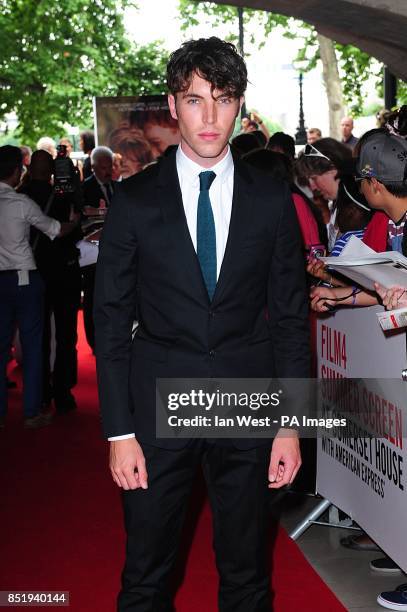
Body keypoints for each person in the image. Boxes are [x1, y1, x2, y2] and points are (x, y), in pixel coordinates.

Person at [94, 36, 309, 611]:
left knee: (247, 574)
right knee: (146, 573)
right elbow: (110, 322)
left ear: (240, 105)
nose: (209, 116)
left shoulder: (271, 199)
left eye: (223, 98)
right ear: (172, 105)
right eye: (194, 100)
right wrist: (119, 432)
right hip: (158, 403)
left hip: (247, 402)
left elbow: (290, 319)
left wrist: (290, 425)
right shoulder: (135, 200)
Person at [0, 146, 73, 429]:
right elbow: (55, 229)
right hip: (25, 278)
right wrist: (74, 223)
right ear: (18, 171)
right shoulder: (21, 203)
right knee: (33, 348)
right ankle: (31, 412)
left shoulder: (21, 199)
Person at [310, 128, 407, 314]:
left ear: (375, 184)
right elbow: (381, 287)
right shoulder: (387, 221)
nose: (360, 190)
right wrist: (335, 296)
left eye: (360, 181)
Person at [19, 150, 82, 413]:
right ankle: (63, 391)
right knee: (67, 334)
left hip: (35, 271)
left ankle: (41, 391)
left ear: (30, 169)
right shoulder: (63, 195)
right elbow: (75, 227)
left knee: (38, 335)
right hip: (64, 271)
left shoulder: (20, 197)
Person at [82, 146, 114, 351]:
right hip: (91, 253)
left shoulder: (118, 187)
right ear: (93, 167)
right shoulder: (84, 188)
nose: (107, 171)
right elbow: (82, 218)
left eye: (109, 166)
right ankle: (94, 340)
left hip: (112, 252)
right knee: (92, 296)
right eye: (103, 167)